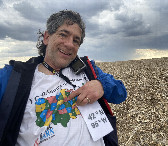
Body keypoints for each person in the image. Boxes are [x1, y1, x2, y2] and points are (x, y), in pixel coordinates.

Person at [0, 10, 127, 146]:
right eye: (63, 35)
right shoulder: (14, 76)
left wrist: (101, 86)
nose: (69, 44)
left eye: (76, 40)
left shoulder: (86, 69)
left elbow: (120, 93)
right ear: (47, 37)